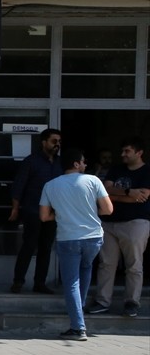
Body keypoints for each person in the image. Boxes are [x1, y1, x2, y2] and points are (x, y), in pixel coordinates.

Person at [39, 149, 113, 340]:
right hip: (93, 237)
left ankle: (78, 327)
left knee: (71, 281)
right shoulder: (93, 181)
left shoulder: (50, 185)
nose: (86, 165)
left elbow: (44, 216)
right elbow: (108, 209)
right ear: (76, 164)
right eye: (83, 162)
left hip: (68, 237)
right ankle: (77, 315)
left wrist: (62, 214)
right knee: (86, 269)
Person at [89, 138, 148, 318]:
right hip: (109, 222)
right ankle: (102, 301)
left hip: (136, 222)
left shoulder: (147, 171)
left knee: (134, 264)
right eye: (122, 151)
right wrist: (130, 193)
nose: (122, 154)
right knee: (106, 264)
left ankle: (131, 302)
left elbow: (144, 195)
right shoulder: (116, 169)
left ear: (139, 153)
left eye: (127, 151)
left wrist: (116, 194)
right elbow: (105, 192)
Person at [9, 128, 63, 294]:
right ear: (44, 142)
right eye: (54, 141)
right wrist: (15, 209)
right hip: (33, 210)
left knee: (46, 248)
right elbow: (19, 186)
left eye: (59, 142)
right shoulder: (31, 161)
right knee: (29, 246)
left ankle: (40, 283)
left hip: (53, 213)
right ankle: (18, 282)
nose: (57, 145)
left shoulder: (61, 163)